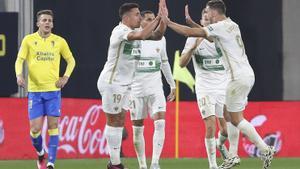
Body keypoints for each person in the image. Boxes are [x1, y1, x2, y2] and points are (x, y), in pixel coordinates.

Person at [160, 0, 275, 169]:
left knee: (236, 119)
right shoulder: (232, 25)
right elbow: (203, 34)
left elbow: (189, 32)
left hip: (236, 78)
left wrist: (168, 22)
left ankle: (265, 149)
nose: (207, 15)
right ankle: (233, 155)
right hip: (246, 75)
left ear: (213, 13)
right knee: (230, 116)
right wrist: (193, 24)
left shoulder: (219, 27)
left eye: (208, 12)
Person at [97, 2, 166, 169]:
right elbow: (142, 35)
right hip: (113, 83)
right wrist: (156, 17)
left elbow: (157, 36)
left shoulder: (134, 31)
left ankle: (114, 162)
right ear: (126, 17)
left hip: (125, 85)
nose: (140, 17)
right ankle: (115, 163)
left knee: (119, 120)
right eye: (137, 14)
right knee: (113, 120)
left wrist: (163, 19)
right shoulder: (119, 31)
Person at [15, 9, 76, 169]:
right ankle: (41, 152)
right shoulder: (28, 40)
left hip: (53, 92)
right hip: (34, 92)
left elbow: (71, 61)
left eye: (50, 20)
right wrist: (19, 75)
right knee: (35, 130)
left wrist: (65, 77)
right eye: (44, 20)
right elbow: (19, 60)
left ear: (52, 24)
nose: (47, 23)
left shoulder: (59, 41)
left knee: (53, 126)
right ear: (38, 23)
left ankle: (51, 163)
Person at [180, 7, 240, 169]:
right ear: (201, 21)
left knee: (226, 131)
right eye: (204, 18)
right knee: (210, 125)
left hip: (222, 87)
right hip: (205, 88)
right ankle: (213, 165)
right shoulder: (193, 39)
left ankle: (220, 145)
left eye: (209, 18)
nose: (207, 20)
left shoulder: (219, 36)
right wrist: (192, 48)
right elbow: (181, 64)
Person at [129, 10, 175, 169]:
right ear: (140, 21)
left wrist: (172, 84)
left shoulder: (160, 39)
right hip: (136, 90)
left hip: (156, 89)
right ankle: (142, 165)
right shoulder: (132, 36)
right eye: (148, 19)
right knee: (137, 130)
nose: (151, 22)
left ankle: (155, 163)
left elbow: (164, 62)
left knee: (160, 123)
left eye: (152, 19)